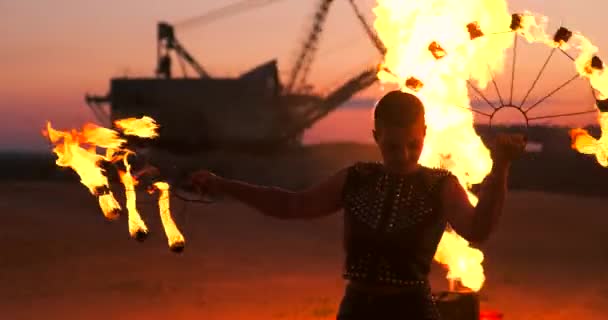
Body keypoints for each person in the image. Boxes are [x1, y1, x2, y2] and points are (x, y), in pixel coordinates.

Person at [189, 90, 526, 319]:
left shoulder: (439, 184)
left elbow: (477, 229)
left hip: (411, 312)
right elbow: (292, 205)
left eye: (414, 144)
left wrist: (501, 168)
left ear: (424, 132)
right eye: (393, 146)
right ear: (376, 136)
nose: (405, 155)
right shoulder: (357, 178)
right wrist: (223, 185)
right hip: (356, 310)